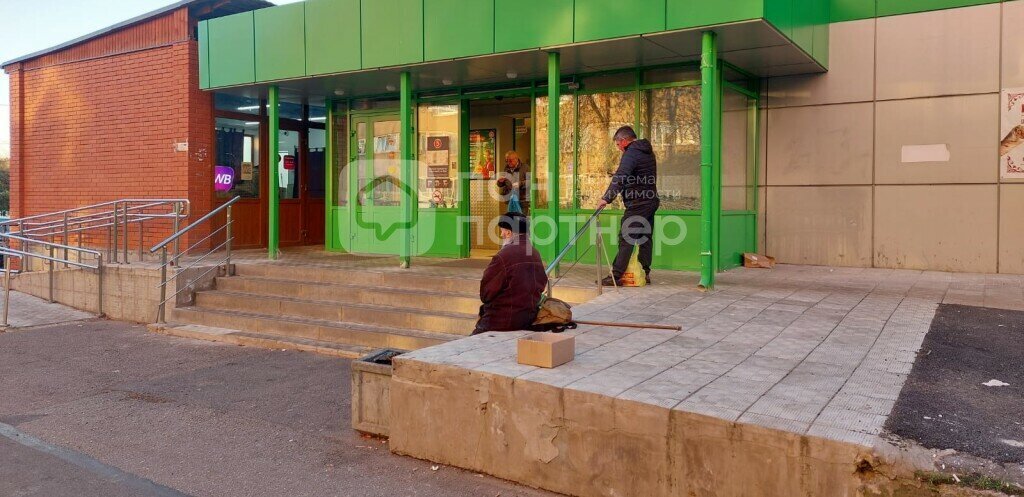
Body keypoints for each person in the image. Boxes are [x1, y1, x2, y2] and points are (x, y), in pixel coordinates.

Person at [596, 125, 660, 286]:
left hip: (639, 203)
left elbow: (622, 176)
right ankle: (644, 273)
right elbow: (638, 175)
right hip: (650, 200)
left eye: (617, 144)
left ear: (623, 141)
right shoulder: (646, 151)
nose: (618, 148)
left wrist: (606, 198)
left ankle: (616, 276)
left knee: (626, 236)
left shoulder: (631, 153)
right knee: (645, 237)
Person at [473, 212, 548, 334]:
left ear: (508, 232)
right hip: (527, 317)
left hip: (500, 321)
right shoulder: (534, 253)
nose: (501, 234)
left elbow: (486, 294)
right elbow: (541, 283)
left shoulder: (503, 256)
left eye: (502, 231)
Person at [497, 150, 529, 215]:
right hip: (510, 200)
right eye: (506, 160)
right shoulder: (506, 168)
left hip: (522, 201)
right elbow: (502, 184)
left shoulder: (525, 167)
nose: (508, 162)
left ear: (516, 159)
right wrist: (500, 182)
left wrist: (520, 183)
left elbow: (531, 181)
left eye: (510, 160)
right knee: (511, 222)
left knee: (521, 222)